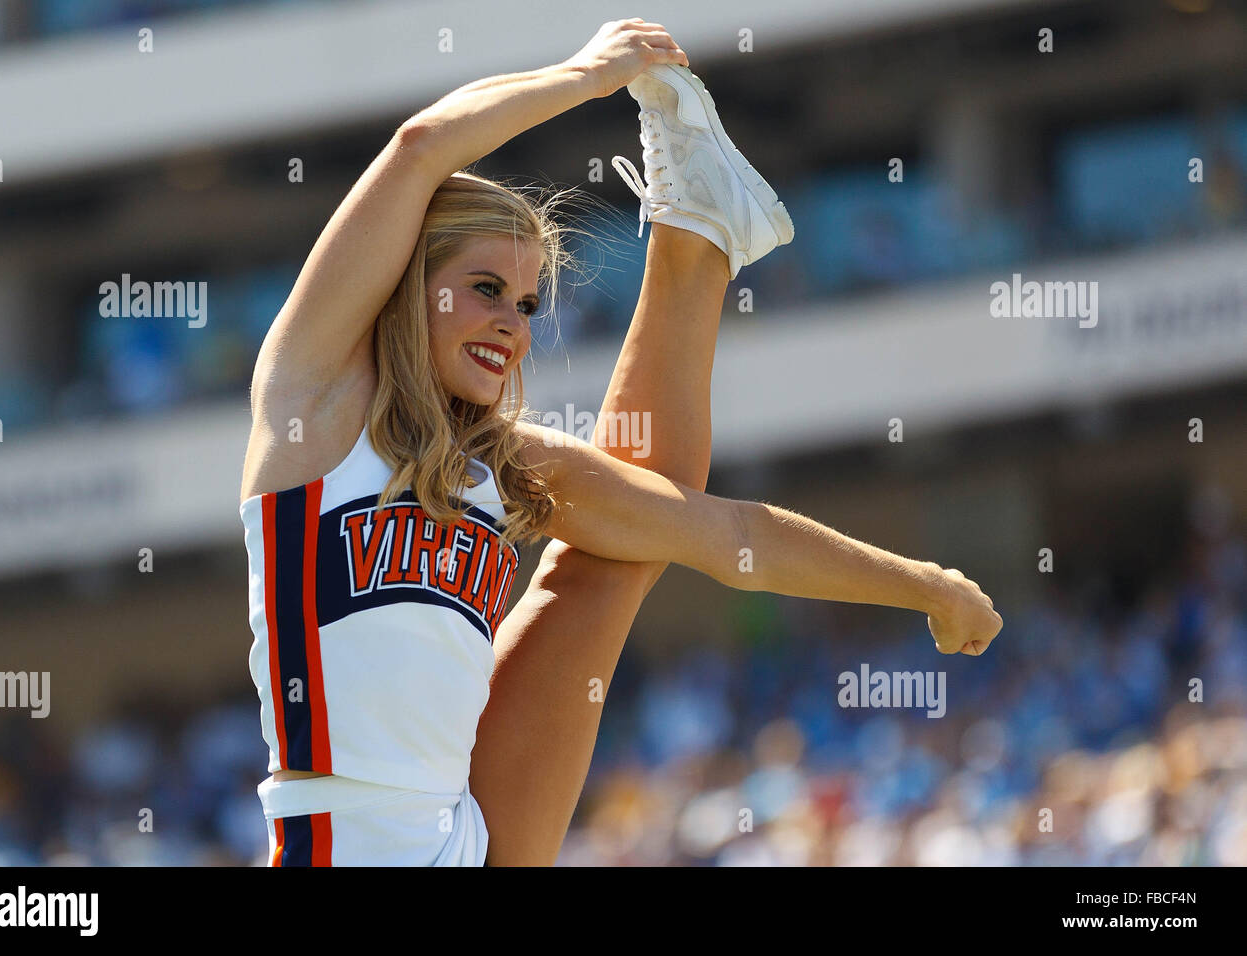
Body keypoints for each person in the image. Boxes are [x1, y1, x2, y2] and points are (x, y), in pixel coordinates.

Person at [238, 18, 1002, 866]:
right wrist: (587, 75)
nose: (510, 326)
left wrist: (928, 586)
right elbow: (420, 146)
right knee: (619, 539)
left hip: (465, 823)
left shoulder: (501, 461)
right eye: (485, 289)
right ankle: (700, 232)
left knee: (615, 552)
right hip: (341, 838)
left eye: (527, 305)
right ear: (406, 287)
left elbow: (727, 535)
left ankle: (696, 232)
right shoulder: (315, 404)